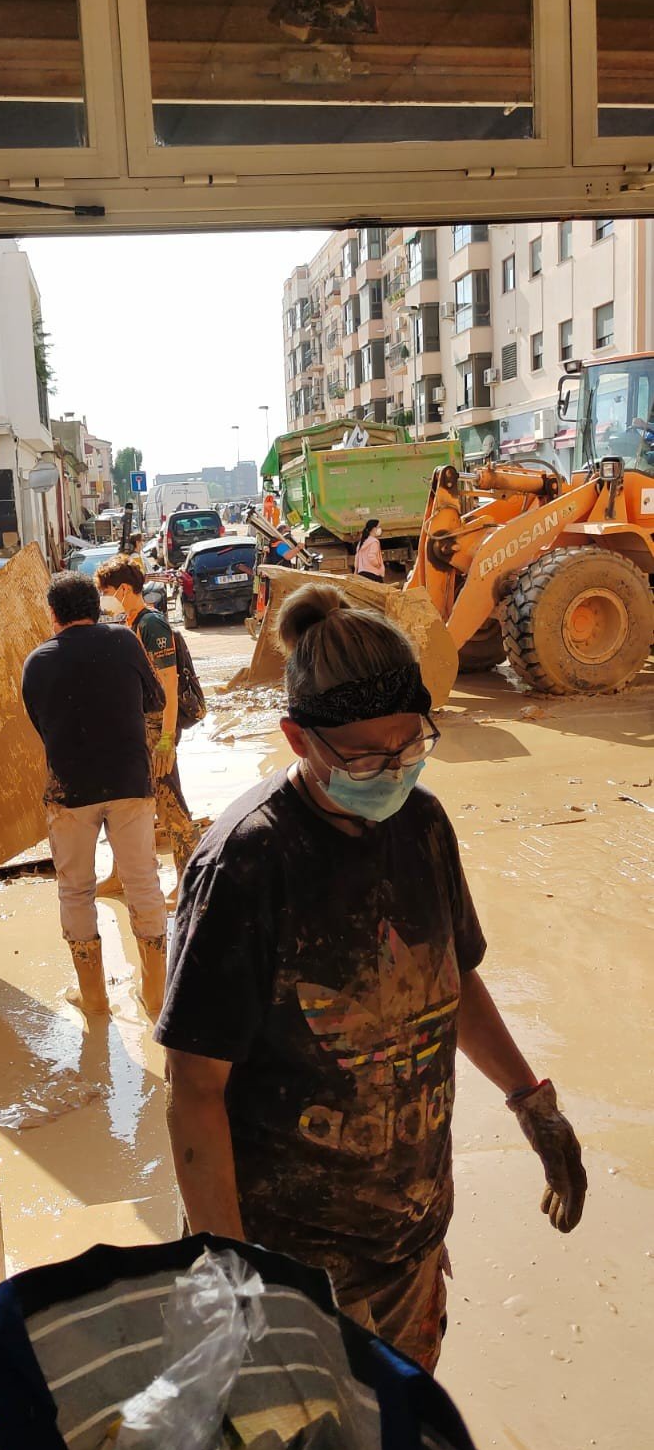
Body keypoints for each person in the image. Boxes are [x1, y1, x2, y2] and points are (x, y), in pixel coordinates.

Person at [156, 584, 586, 1374]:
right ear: (297, 738)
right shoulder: (248, 865)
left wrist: (532, 1102)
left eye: (409, 747)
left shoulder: (421, 825)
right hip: (294, 1270)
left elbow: (449, 981)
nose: (390, 771)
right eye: (361, 756)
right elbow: (193, 1088)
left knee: (399, 1437)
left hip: (410, 1246)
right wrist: (235, 1276)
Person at [22, 571, 168, 1020]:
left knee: (76, 890)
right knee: (143, 881)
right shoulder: (124, 642)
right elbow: (156, 699)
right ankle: (157, 996)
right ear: (96, 606)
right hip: (129, 783)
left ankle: (95, 1000)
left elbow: (40, 724)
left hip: (70, 791)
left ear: (52, 615)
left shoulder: (37, 662)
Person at [95, 554, 204, 886]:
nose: (104, 599)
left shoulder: (150, 624)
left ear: (124, 589)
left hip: (157, 728)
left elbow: (168, 686)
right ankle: (119, 876)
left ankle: (190, 882)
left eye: (107, 591)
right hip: (138, 728)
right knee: (128, 805)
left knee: (171, 808)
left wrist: (167, 740)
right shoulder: (127, 622)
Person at [354, 518, 385, 582]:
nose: (380, 529)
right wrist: (378, 565)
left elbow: (357, 558)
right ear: (373, 529)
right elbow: (371, 556)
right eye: (378, 527)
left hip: (361, 573)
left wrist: (356, 571)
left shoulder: (361, 542)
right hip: (373, 573)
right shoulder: (374, 542)